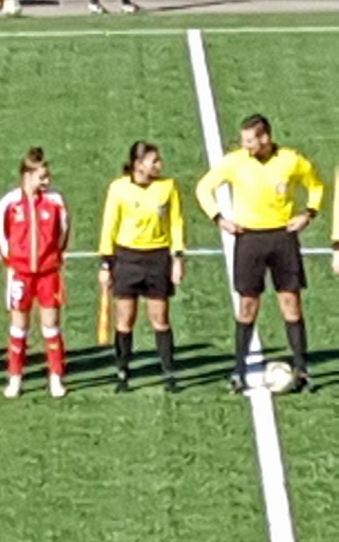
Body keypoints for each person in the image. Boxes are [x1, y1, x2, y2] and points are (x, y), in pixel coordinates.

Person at [195, 114, 324, 393]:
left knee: (290, 302)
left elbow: (316, 185)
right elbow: (203, 188)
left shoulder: (291, 160)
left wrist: (308, 214)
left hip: (282, 237)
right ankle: (238, 370)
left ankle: (302, 368)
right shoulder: (235, 162)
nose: (246, 146)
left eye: (250, 141)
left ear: (265, 138)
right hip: (249, 239)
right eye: (243, 141)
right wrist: (219, 218)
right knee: (247, 305)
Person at [97, 141, 186, 393]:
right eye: (154, 161)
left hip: (157, 258)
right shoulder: (118, 188)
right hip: (127, 258)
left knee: (160, 318)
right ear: (138, 164)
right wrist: (106, 264)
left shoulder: (168, 187)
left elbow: (176, 223)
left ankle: (169, 372)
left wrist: (178, 258)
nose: (159, 164)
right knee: (125, 319)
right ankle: (122, 371)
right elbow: (109, 226)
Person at [0, 147, 71, 399]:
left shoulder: (55, 200)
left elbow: (63, 232)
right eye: (42, 176)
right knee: (19, 326)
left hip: (48, 274)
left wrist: (52, 258)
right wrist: (14, 262)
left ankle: (56, 377)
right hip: (21, 274)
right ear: (27, 175)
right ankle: (15, 377)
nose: (47, 181)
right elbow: (2, 235)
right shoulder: (10, 203)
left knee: (51, 325)